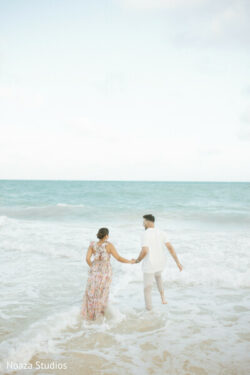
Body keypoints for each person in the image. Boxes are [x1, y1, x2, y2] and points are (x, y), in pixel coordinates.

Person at [81, 227, 135, 320]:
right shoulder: (108, 245)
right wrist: (130, 261)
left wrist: (94, 268)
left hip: (94, 271)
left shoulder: (92, 245)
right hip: (105, 272)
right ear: (106, 236)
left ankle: (89, 316)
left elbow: (87, 259)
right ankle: (100, 316)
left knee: (92, 292)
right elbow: (118, 258)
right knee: (102, 293)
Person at [133, 214, 183, 311]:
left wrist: (137, 260)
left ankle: (149, 310)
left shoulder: (145, 234)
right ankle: (163, 299)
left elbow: (145, 251)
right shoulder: (162, 232)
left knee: (147, 288)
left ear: (148, 222)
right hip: (160, 262)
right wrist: (178, 262)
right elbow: (170, 248)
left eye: (143, 222)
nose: (143, 224)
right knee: (158, 277)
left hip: (150, 264)